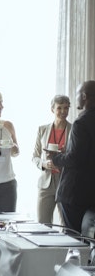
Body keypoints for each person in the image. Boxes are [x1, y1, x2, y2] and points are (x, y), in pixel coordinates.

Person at [50, 81, 95, 231]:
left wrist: (55, 157)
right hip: (91, 194)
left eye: (76, 95)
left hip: (75, 194)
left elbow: (75, 159)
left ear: (84, 96)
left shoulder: (80, 123)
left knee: (73, 239)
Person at [32, 95, 71, 224]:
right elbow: (35, 156)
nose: (63, 112)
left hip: (65, 181)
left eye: (66, 108)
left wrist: (66, 155)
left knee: (66, 225)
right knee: (43, 224)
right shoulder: (42, 129)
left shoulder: (74, 130)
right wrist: (44, 164)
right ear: (52, 109)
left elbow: (77, 157)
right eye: (59, 108)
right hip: (46, 184)